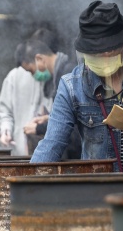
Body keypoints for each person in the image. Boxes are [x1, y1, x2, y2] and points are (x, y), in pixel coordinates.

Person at [30, 0, 123, 171]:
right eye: (95, 55)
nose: (102, 59)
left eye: (108, 53)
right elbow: (52, 144)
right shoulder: (71, 86)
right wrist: (27, 184)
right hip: (101, 189)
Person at [20, 29, 82, 159]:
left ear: (39, 59)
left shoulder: (66, 75)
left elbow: (72, 126)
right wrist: (50, 118)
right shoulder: (60, 72)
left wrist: (40, 128)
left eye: (31, 70)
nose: (33, 75)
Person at [0, 42, 52, 155]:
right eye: (28, 70)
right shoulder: (14, 77)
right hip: (20, 152)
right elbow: (5, 113)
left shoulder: (56, 76)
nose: (32, 73)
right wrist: (5, 132)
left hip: (50, 152)